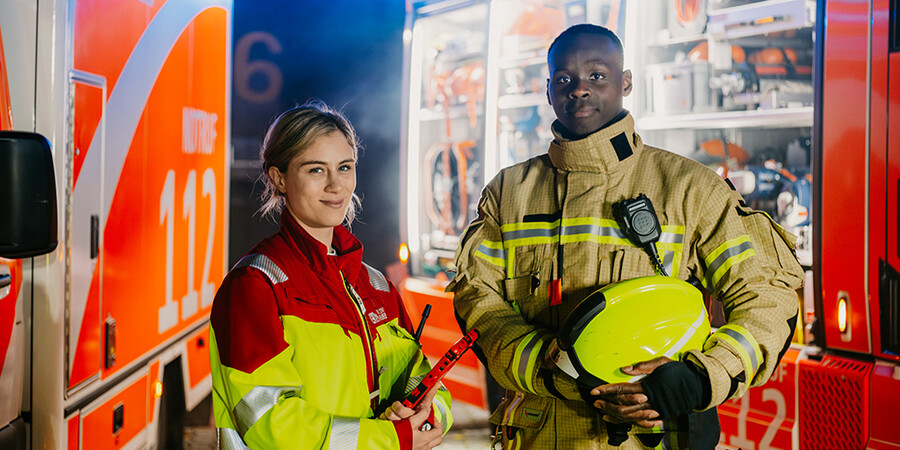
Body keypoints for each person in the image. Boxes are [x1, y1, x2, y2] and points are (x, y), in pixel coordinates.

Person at [448, 24, 802, 448]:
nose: (579, 90)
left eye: (597, 75)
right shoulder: (508, 193)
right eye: (565, 79)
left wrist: (697, 378)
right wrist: (558, 369)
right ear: (548, 90)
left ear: (626, 81)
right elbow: (479, 305)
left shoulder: (691, 188)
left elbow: (768, 298)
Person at [209, 101, 452, 449]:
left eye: (345, 167)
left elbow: (428, 383)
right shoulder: (255, 287)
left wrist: (426, 415)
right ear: (279, 178)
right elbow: (269, 422)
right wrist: (389, 439)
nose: (336, 185)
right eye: (316, 170)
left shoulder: (376, 286)